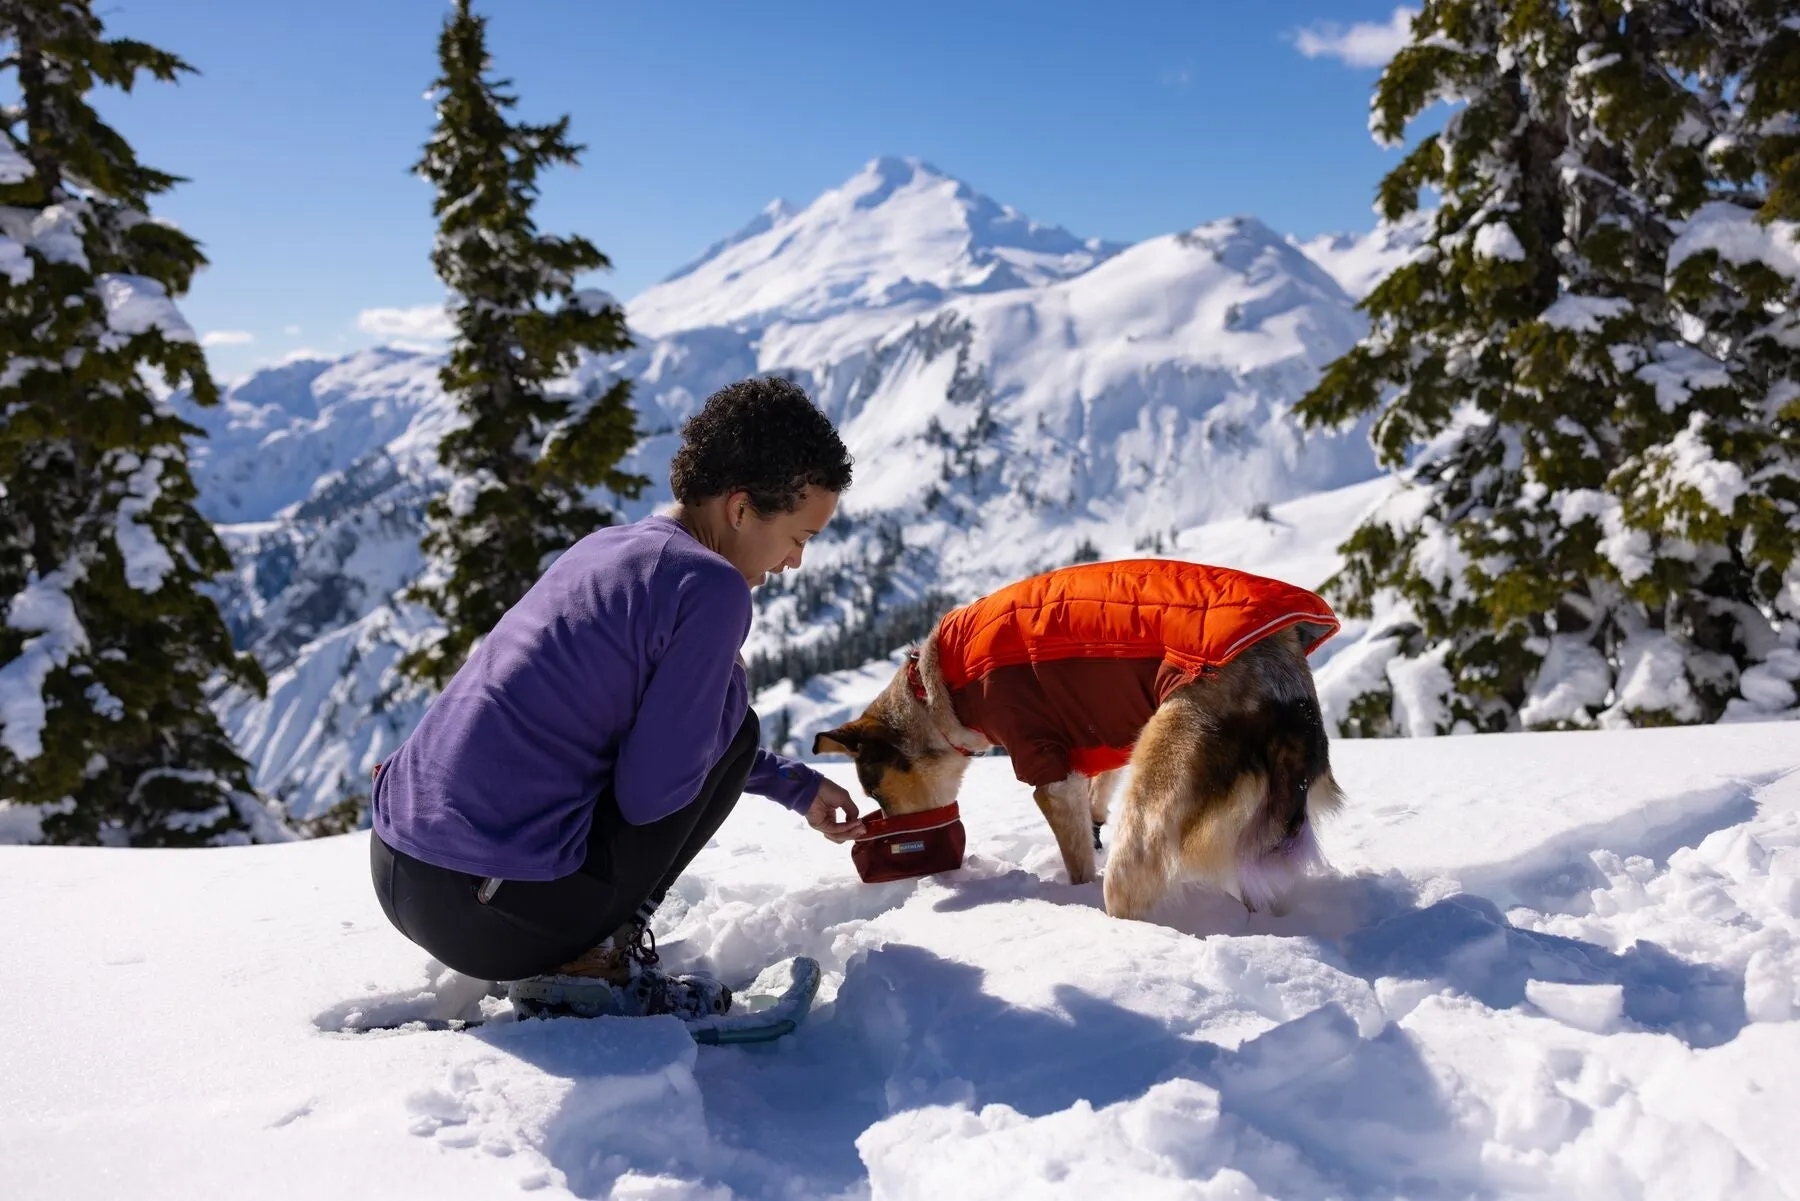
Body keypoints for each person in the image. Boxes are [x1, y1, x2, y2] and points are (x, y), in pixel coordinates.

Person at [369, 376, 865, 1018]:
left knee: (728, 730)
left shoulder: (613, 548)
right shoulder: (712, 588)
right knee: (735, 726)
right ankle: (585, 966)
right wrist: (728, 686)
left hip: (406, 870)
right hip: (489, 914)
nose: (794, 561)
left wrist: (789, 785)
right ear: (741, 510)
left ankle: (575, 941)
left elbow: (633, 726)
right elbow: (653, 793)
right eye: (800, 537)